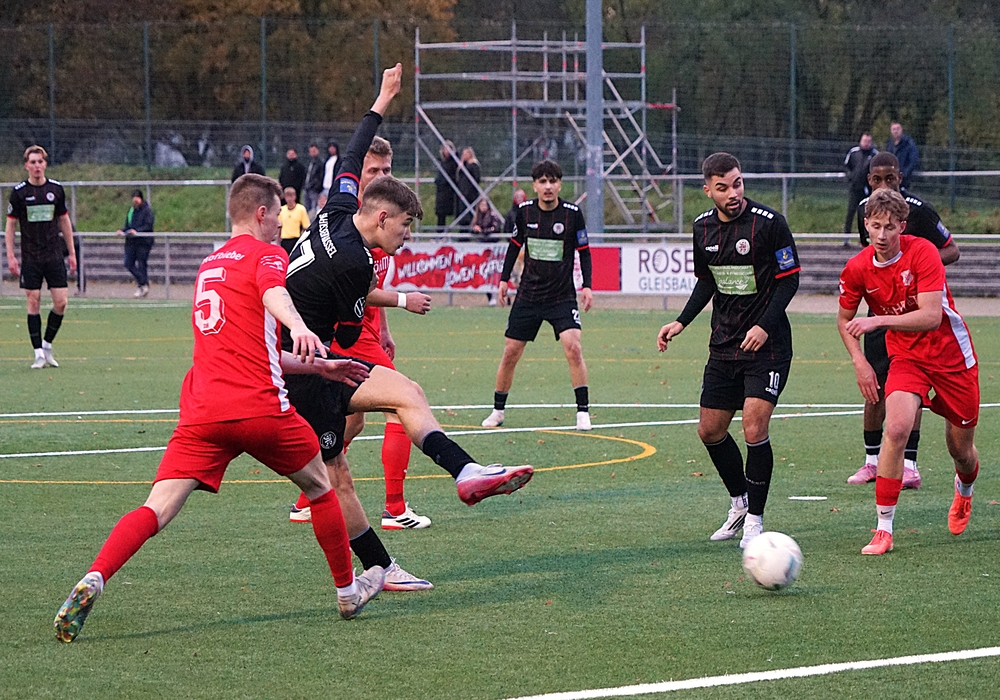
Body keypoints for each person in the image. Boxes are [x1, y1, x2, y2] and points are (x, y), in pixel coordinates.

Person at [53, 173, 384, 644]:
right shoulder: (267, 254)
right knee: (321, 486)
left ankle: (96, 575)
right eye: (276, 216)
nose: (280, 227)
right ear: (261, 213)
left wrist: (321, 366)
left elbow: (255, 347)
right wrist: (300, 327)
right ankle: (349, 592)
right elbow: (274, 293)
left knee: (157, 507)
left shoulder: (208, 265)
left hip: (203, 411)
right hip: (260, 407)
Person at [283, 65, 534, 591]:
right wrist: (390, 300)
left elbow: (352, 153)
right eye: (404, 226)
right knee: (338, 476)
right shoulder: (356, 262)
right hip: (304, 369)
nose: (406, 237)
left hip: (311, 358)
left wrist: (382, 98)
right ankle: (378, 564)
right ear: (381, 219)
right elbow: (347, 333)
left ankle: (463, 475)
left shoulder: (335, 209)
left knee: (402, 398)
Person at [288, 130, 437, 540]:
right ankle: (395, 509)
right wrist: (404, 300)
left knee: (351, 422)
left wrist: (384, 326)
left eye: (387, 169)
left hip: (365, 327)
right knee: (401, 404)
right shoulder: (354, 223)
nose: (382, 176)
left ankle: (306, 500)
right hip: (338, 331)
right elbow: (354, 285)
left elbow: (369, 285)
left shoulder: (386, 220)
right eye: (374, 170)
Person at [656, 152, 800, 549]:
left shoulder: (769, 224)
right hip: (724, 344)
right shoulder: (702, 228)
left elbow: (789, 280)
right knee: (710, 430)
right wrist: (680, 322)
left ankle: (755, 519)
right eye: (723, 187)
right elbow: (707, 282)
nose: (733, 193)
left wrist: (763, 326)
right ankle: (740, 502)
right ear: (708, 190)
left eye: (737, 183)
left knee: (754, 426)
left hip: (768, 346)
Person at [837, 188, 979, 555]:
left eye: (890, 227)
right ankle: (883, 529)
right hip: (906, 357)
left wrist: (877, 321)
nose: (882, 235)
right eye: (875, 227)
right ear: (865, 225)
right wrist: (860, 362)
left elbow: (931, 316)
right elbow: (844, 319)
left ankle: (964, 489)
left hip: (952, 357)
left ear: (903, 226)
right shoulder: (857, 268)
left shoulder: (924, 253)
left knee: (961, 450)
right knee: (897, 428)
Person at [847, 151, 959, 489]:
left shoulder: (917, 210)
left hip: (913, 315)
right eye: (877, 179)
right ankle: (871, 461)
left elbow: (952, 250)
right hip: (879, 312)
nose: (884, 184)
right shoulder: (865, 210)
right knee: (874, 390)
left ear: (900, 176)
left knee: (910, 390)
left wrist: (919, 265)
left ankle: (909, 464)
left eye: (890, 178)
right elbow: (870, 257)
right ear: (869, 180)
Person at [482, 160, 594, 432]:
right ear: (534, 185)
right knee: (510, 351)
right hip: (529, 295)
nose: (548, 186)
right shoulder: (524, 212)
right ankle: (498, 410)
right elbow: (514, 247)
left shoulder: (572, 214)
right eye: (542, 181)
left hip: (561, 296)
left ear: (560, 185)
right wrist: (504, 280)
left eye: (552, 181)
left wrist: (587, 286)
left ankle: (582, 412)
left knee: (573, 347)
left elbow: (584, 252)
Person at [5, 145, 77, 369]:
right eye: (33, 162)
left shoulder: (56, 190)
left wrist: (72, 252)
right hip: (31, 257)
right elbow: (10, 225)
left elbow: (64, 221)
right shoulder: (19, 193)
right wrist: (10, 255)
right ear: (26, 166)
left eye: (40, 162)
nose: (37, 166)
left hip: (53, 255)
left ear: (45, 164)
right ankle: (37, 353)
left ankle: (47, 345)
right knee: (33, 300)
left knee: (61, 302)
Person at [117, 189, 155, 298]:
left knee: (142, 263)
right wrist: (122, 231)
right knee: (128, 263)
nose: (135, 201)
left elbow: (148, 226)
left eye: (137, 198)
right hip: (131, 242)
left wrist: (137, 231)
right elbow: (128, 226)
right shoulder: (131, 211)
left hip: (143, 242)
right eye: (134, 199)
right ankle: (143, 283)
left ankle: (142, 285)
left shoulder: (147, 211)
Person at [843, 133, 877, 234]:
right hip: (854, 188)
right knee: (850, 212)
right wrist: (850, 177)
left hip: (868, 190)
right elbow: (846, 166)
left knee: (866, 214)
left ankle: (865, 236)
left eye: (868, 141)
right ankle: (846, 236)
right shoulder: (853, 152)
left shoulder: (875, 155)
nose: (866, 143)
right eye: (864, 141)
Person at [885, 122, 919, 189]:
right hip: (891, 179)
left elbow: (914, 160)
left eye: (898, 129)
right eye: (894, 129)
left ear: (901, 130)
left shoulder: (909, 143)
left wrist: (905, 174)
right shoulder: (889, 144)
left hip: (904, 180)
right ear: (891, 131)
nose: (896, 131)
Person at [278, 187, 311, 254]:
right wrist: (278, 241)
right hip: (284, 239)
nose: (289, 199)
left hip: (296, 238)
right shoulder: (282, 210)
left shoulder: (301, 209)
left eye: (291, 196)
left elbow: (306, 226)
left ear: (295, 196)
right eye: (287, 196)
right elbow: (279, 226)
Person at [434, 140, 459, 228]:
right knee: (441, 215)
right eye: (445, 149)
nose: (447, 151)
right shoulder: (441, 162)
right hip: (441, 192)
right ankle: (440, 232)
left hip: (451, 191)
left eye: (449, 149)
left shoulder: (454, 161)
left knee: (455, 211)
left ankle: (461, 232)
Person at [456, 147, 482, 229]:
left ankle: (470, 228)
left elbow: (477, 178)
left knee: (471, 213)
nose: (464, 155)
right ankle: (462, 229)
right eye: (463, 154)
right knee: (462, 213)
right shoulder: (462, 165)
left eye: (466, 153)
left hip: (471, 193)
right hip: (462, 192)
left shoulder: (474, 165)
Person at [317, 139, 340, 210]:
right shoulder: (327, 160)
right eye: (330, 147)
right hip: (325, 186)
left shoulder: (339, 160)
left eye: (333, 147)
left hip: (333, 186)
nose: (331, 149)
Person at [303, 143, 325, 216]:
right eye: (311, 151)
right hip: (307, 188)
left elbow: (320, 176)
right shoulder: (309, 162)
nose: (312, 153)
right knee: (306, 207)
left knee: (314, 207)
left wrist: (316, 187)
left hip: (314, 189)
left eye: (314, 151)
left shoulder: (320, 163)